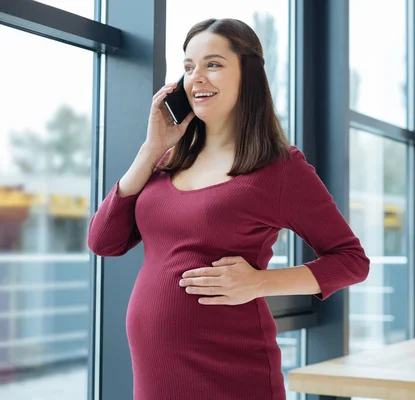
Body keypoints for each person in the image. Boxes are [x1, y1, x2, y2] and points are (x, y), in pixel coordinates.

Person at [87, 18, 369, 400]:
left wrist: (259, 282)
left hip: (234, 374)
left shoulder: (280, 167)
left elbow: (352, 260)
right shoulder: (164, 161)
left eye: (213, 64)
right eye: (188, 67)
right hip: (156, 376)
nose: (196, 78)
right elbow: (103, 240)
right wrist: (151, 148)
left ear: (248, 74)